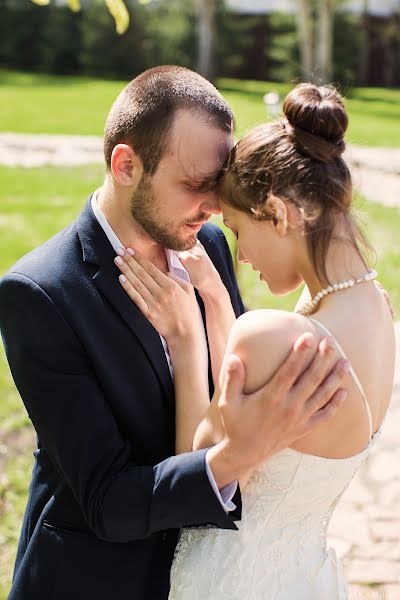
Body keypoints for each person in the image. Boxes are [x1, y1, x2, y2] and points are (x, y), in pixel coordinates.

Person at [0, 67, 348, 600]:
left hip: (205, 575)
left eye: (216, 185)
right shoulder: (40, 293)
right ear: (125, 165)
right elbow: (107, 500)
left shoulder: (208, 242)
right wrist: (234, 456)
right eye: (193, 186)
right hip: (94, 580)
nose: (212, 207)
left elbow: (229, 387)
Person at [114, 82, 396, 599]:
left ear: (281, 214)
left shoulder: (274, 334)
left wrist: (185, 336)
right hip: (305, 578)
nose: (240, 255)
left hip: (233, 580)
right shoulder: (375, 308)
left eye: (240, 231)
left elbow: (194, 468)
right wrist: (221, 305)